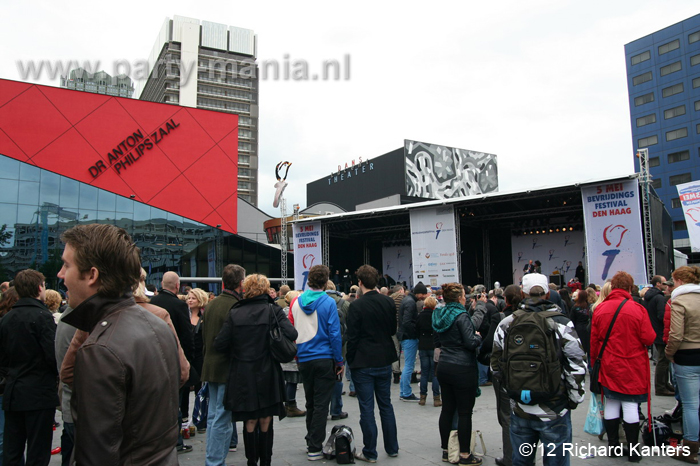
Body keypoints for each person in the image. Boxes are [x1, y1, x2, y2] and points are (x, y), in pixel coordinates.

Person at [57, 224, 180, 463]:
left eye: (67, 265)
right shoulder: (157, 324)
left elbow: (96, 454)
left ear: (92, 275)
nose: (61, 274)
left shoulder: (101, 349)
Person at [491, 273, 586, 466]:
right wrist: (574, 398)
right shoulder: (562, 323)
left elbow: (496, 366)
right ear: (548, 293)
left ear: (523, 293)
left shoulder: (507, 323)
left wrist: (512, 392)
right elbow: (577, 363)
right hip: (555, 408)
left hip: (520, 408)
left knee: (521, 462)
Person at [214, 274, 297, 466]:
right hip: (268, 370)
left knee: (249, 420)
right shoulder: (273, 310)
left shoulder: (235, 312)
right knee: (266, 419)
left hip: (243, 372)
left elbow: (220, 343)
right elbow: (292, 333)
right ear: (266, 289)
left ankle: (251, 461)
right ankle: (265, 462)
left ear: (246, 289)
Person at [590, 271, 655, 462]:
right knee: (630, 404)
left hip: (609, 363)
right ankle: (634, 450)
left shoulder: (600, 309)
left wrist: (594, 363)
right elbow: (649, 338)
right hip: (632, 363)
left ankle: (613, 446)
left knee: (610, 401)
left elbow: (594, 342)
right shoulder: (637, 308)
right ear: (629, 287)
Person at [0, 270, 57, 466]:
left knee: (12, 449)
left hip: (13, 391)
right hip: (39, 393)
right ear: (39, 287)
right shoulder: (43, 317)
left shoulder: (6, 319)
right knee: (38, 451)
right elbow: (53, 356)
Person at [288, 265, 344, 461]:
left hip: (303, 358)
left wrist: (296, 355)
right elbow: (334, 334)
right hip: (324, 357)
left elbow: (290, 332)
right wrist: (339, 360)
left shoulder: (295, 301)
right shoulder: (328, 303)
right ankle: (314, 446)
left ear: (309, 279)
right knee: (321, 404)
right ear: (326, 280)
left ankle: (310, 440)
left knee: (311, 402)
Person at [346, 264, 399, 462]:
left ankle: (370, 451)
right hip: (384, 359)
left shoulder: (356, 306)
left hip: (363, 361)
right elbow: (392, 330)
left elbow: (352, 337)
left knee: (366, 408)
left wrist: (350, 360)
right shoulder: (388, 302)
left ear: (360, 282)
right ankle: (392, 447)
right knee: (386, 405)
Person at [432, 282, 482, 465]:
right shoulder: (461, 315)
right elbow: (470, 343)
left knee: (447, 409)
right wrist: (478, 336)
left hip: (444, 365)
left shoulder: (439, 314)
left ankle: (446, 450)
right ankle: (464, 454)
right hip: (462, 368)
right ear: (459, 297)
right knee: (464, 412)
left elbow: (437, 338)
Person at [201, 264, 245, 465]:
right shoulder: (235, 306)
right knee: (222, 418)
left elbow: (204, 337)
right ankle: (215, 461)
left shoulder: (211, 304)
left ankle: (213, 459)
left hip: (210, 366)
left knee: (214, 417)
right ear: (241, 283)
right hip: (227, 368)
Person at [150, 270, 195, 453]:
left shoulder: (151, 303)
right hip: (174, 358)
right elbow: (186, 334)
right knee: (176, 400)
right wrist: (189, 360)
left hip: (154, 358)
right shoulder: (178, 305)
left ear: (161, 284)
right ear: (177, 286)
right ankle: (176, 440)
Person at [666, 266, 700, 462]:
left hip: (686, 355)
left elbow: (676, 334)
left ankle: (690, 447)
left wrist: (670, 353)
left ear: (679, 281)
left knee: (690, 404)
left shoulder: (679, 301)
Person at [491, 284, 521, 466]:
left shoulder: (504, 321)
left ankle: (510, 457)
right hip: (532, 375)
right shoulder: (539, 319)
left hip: (507, 376)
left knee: (507, 416)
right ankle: (526, 456)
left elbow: (495, 352)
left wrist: (496, 374)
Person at [398, 282, 429, 401]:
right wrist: (416, 331)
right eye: (423, 294)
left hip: (406, 336)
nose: (424, 297)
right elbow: (407, 322)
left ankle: (403, 391)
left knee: (408, 365)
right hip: (409, 337)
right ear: (419, 293)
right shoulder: (410, 303)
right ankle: (406, 393)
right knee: (409, 365)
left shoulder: (407, 301)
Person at [644, 275, 674, 396]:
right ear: (657, 284)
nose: (666, 286)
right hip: (660, 331)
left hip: (655, 330)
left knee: (662, 359)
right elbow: (662, 316)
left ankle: (663, 384)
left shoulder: (649, 297)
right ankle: (661, 386)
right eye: (663, 283)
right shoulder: (659, 298)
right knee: (663, 360)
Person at [181, 288, 208, 422]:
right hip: (186, 355)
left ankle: (200, 417)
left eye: (193, 298)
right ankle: (184, 417)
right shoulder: (184, 315)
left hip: (200, 356)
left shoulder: (205, 317)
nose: (190, 300)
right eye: (188, 298)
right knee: (185, 388)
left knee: (200, 388)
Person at [280, 291, 306, 417]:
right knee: (292, 381)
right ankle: (291, 405)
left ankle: (288, 405)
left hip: (286, 350)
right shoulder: (291, 312)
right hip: (292, 350)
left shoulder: (281, 312)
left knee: (290, 381)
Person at [416, 295, 441, 406]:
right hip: (434, 346)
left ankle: (422, 397)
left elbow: (416, 329)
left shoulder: (420, 316)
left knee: (424, 373)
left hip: (422, 346)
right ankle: (436, 398)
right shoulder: (435, 315)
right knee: (434, 373)